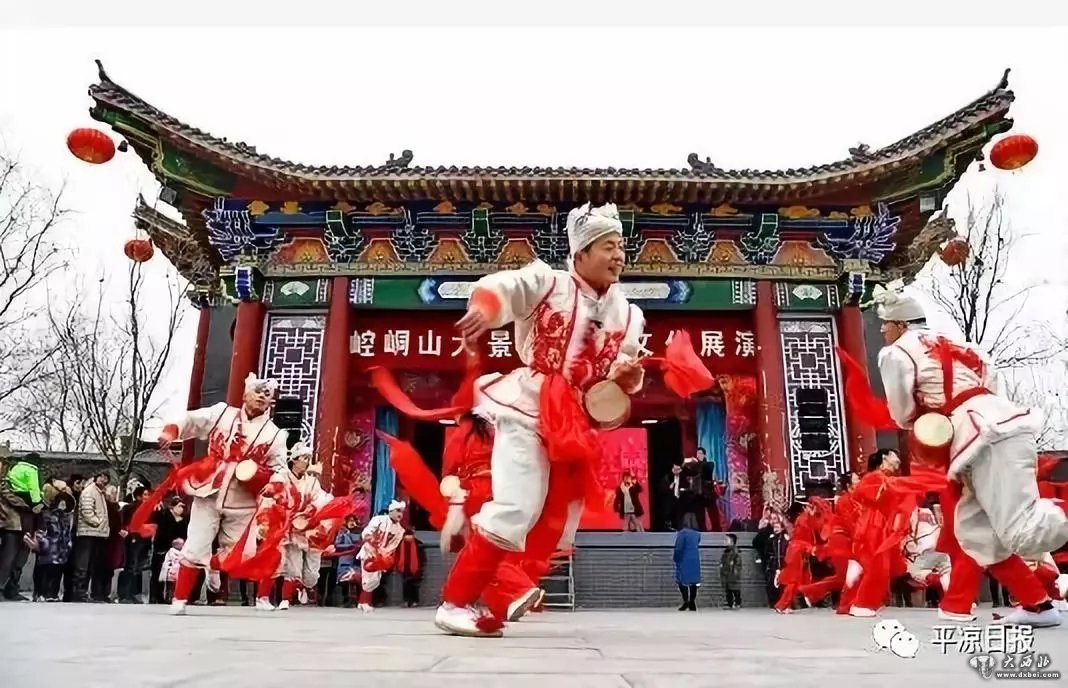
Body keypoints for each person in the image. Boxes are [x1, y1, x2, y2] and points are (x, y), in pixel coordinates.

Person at [435, 202, 646, 637]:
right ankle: (455, 602)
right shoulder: (549, 283)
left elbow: (617, 377)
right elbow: (504, 288)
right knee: (516, 505)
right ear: (581, 253)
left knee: (553, 519)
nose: (619, 255)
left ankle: (500, 596)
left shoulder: (629, 315)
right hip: (530, 407)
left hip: (574, 421)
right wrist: (485, 308)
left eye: (621, 247)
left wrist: (627, 378)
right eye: (609, 246)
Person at [875, 284, 1068, 626]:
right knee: (976, 531)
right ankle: (1038, 606)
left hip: (982, 436)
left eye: (885, 324)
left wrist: (928, 424)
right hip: (999, 424)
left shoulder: (897, 352)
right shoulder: (961, 343)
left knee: (1020, 529)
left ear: (901, 324)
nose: (882, 331)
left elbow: (902, 412)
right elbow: (992, 383)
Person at [154, 373, 289, 616]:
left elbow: (280, 469)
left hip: (243, 500)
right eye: (257, 392)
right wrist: (171, 431)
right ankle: (179, 599)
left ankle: (213, 566)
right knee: (195, 546)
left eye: (267, 394)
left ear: (272, 402)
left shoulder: (276, 435)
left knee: (242, 556)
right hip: (209, 490)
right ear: (245, 394)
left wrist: (273, 485)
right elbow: (191, 420)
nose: (261, 397)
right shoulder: (222, 413)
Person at [277, 442, 331, 610]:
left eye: (309, 459)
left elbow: (320, 499)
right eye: (304, 458)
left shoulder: (312, 482)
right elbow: (276, 494)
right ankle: (285, 599)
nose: (307, 462)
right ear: (294, 459)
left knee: (312, 575)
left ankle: (304, 586)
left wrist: (311, 511)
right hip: (291, 527)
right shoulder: (283, 477)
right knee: (293, 566)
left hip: (310, 527)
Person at [0, 453, 42, 600]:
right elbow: (12, 497)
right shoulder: (6, 483)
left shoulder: (13, 475)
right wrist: (32, 504)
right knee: (9, 557)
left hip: (22, 523)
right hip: (12, 523)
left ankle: (11, 588)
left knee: (19, 557)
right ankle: (2, 588)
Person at [29, 482, 75, 601]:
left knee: (57, 571)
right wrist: (42, 542)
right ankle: (41, 593)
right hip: (48, 548)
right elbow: (41, 529)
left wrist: (68, 545)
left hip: (60, 549)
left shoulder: (65, 517)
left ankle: (52, 593)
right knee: (44, 570)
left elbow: (66, 532)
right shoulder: (46, 513)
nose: (63, 505)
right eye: (61, 502)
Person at [357, 500, 406, 611]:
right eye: (398, 511)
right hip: (369, 551)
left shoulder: (400, 530)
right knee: (369, 578)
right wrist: (370, 541)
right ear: (391, 511)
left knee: (375, 580)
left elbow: (393, 545)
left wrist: (384, 554)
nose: (400, 514)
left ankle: (362, 601)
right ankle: (364, 602)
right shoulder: (378, 520)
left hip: (381, 556)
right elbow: (367, 532)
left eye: (402, 512)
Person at [71, 472, 110, 603]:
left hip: (97, 533)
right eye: (101, 477)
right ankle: (78, 592)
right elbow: (87, 512)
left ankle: (84, 592)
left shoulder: (100, 492)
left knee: (91, 564)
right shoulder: (89, 491)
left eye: (106, 478)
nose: (104, 480)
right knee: (83, 564)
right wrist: (98, 522)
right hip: (88, 532)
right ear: (95, 478)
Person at [147, 497, 188, 604]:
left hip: (176, 550)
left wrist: (182, 541)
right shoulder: (163, 516)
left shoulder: (183, 519)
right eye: (179, 506)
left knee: (172, 574)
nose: (181, 509)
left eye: (183, 507)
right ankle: (155, 596)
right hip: (162, 548)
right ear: (172, 507)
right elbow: (161, 531)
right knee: (157, 572)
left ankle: (168, 596)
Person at [117, 485, 151, 603]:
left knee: (138, 568)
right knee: (130, 565)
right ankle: (124, 594)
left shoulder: (149, 509)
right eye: (145, 494)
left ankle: (133, 593)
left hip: (144, 540)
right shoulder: (130, 508)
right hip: (132, 539)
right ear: (138, 496)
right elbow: (123, 523)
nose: (148, 497)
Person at [673, 513, 701, 611]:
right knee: (694, 582)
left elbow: (679, 547)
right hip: (694, 559)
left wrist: (676, 558)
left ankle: (686, 601)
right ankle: (692, 601)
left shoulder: (682, 533)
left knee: (681, 581)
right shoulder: (697, 534)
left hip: (684, 559)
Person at [333, 515, 361, 607]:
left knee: (358, 579)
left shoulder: (360, 532)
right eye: (350, 521)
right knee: (344, 580)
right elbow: (337, 545)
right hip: (345, 559)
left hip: (357, 559)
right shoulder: (342, 532)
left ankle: (357, 600)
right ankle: (346, 599)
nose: (352, 523)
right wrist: (350, 547)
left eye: (354, 520)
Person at [395, 528, 425, 607]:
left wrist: (421, 567)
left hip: (416, 568)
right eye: (407, 535)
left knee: (414, 585)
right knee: (405, 585)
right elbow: (397, 555)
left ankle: (415, 601)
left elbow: (422, 556)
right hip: (404, 568)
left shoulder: (418, 544)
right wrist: (397, 565)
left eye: (410, 535)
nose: (408, 537)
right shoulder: (400, 544)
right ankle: (406, 601)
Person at [719, 532, 742, 608]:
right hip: (726, 574)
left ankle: (737, 603)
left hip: (732, 574)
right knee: (728, 590)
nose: (725, 541)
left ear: (732, 541)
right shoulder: (726, 551)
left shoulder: (735, 551)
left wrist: (735, 573)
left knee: (735, 589)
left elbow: (738, 563)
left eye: (727, 540)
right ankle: (730, 603)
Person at [159, 538, 185, 603]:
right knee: (170, 587)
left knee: (176, 587)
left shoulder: (182, 552)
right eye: (182, 544)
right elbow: (176, 559)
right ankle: (168, 598)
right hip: (171, 572)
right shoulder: (171, 551)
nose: (183, 545)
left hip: (177, 572)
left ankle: (176, 598)